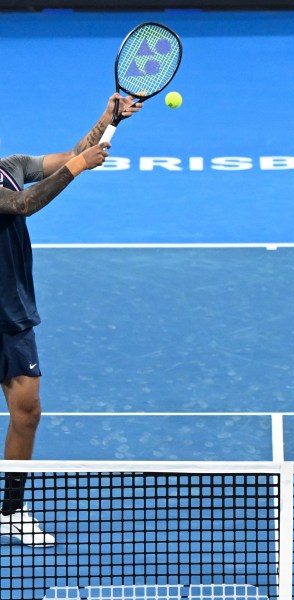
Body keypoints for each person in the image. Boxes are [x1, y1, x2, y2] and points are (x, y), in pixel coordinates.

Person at [0, 94, 141, 545]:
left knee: (27, 411)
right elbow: (24, 205)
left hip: (11, 312)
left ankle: (11, 510)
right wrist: (79, 168)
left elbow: (70, 156)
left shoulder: (12, 164)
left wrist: (107, 119)